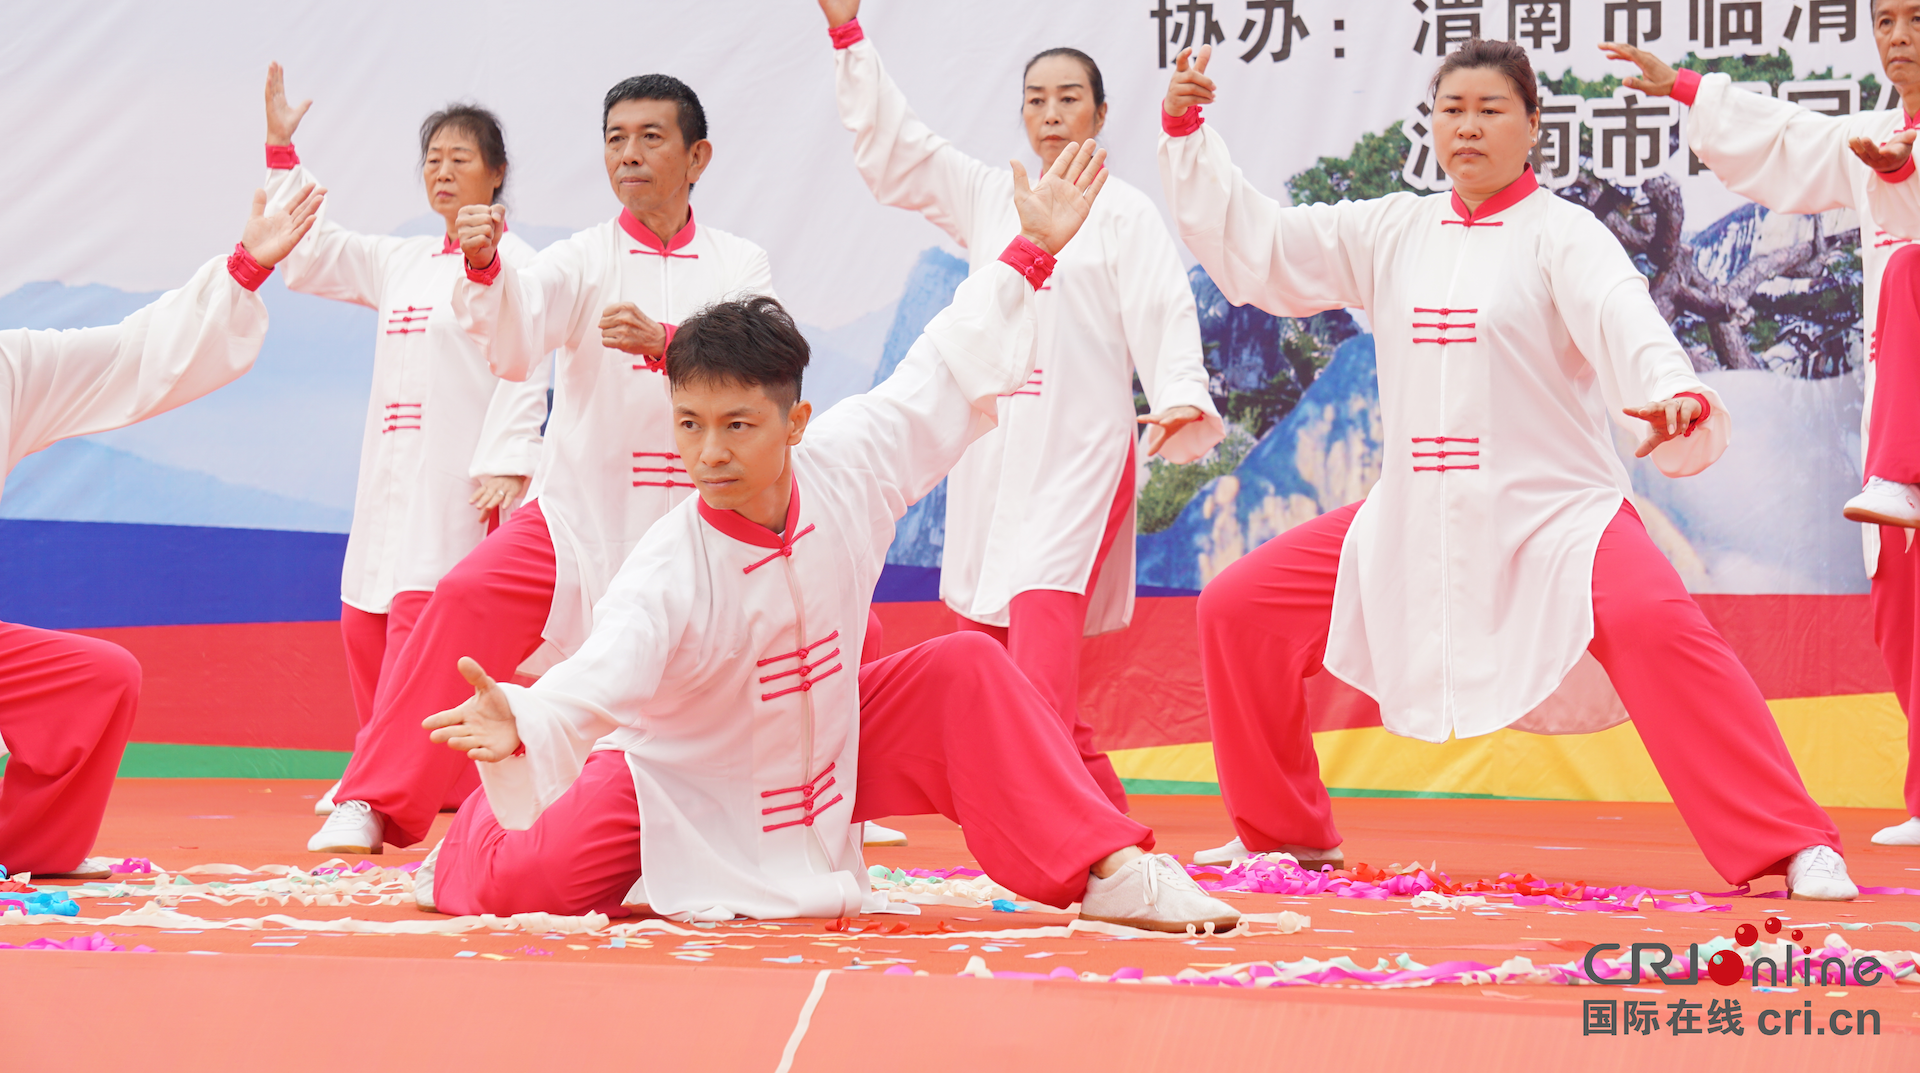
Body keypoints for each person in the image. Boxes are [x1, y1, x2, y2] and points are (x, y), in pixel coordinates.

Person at [411, 141, 1238, 932]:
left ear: (794, 421)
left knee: (964, 668)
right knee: (530, 884)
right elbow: (604, 673)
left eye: (737, 424)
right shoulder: (670, 562)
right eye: (690, 425)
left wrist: (1031, 253)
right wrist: (524, 716)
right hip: (686, 779)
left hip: (825, 751)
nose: (709, 451)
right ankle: (467, 848)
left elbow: (942, 368)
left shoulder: (849, 462)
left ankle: (1108, 870)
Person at [1160, 37, 1859, 900]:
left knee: (1656, 625)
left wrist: (1671, 390)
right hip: (1413, 515)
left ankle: (1791, 843)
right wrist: (1188, 131)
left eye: (1492, 109)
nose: (1469, 127)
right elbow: (1259, 246)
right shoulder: (1391, 228)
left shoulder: (1564, 235)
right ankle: (1283, 835)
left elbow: (1624, 317)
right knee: (1239, 609)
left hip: (1557, 515)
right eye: (1452, 109)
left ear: (1532, 125)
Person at [310, 74, 776, 853]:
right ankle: (373, 797)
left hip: (700, 525)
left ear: (697, 156)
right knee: (462, 596)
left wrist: (668, 342)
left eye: (650, 138)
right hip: (578, 517)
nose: (628, 154)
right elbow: (519, 337)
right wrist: (488, 269)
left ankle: (818, 803)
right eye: (615, 138)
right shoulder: (583, 257)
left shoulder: (738, 261)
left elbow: (767, 359)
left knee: (778, 640)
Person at [811, 0, 1221, 807]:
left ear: (1102, 113)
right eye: (1036, 100)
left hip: (1081, 447)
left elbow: (1159, 306)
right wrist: (850, 34)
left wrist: (1179, 394)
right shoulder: (991, 195)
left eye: (1070, 98)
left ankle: (1057, 832)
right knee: (990, 653)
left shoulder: (1127, 212)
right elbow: (899, 151)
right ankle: (1097, 826)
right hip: (994, 454)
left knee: (1039, 628)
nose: (1051, 114)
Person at [1604, 0, 1920, 848]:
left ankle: (1898, 472)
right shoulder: (1872, 135)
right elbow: (1787, 141)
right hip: (1908, 393)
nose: (1899, 36)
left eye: (1917, 18)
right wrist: (1688, 87)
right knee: (1904, 596)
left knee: (1907, 267)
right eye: (1885, 21)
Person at [0, 185, 325, 877]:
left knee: (96, 679)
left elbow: (132, 355)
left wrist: (244, 267)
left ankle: (23, 850)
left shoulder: (10, 369)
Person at [260, 66, 549, 818]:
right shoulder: (405, 261)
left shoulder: (522, 267)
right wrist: (283, 153)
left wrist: (510, 460)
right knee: (368, 617)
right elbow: (314, 249)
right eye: (432, 159)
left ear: (498, 172)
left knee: (430, 625)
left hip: (462, 478)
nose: (443, 171)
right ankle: (389, 765)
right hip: (389, 473)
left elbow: (530, 362)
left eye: (460, 157)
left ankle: (392, 782)